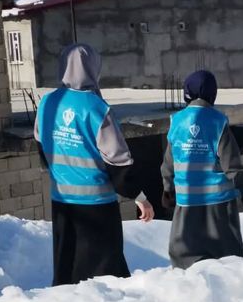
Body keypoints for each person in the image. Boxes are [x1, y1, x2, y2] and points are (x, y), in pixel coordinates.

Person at [35, 43, 154, 286]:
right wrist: (140, 197)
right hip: (97, 208)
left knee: (67, 268)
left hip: (62, 203)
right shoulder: (97, 108)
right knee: (104, 276)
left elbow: (41, 145)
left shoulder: (47, 103)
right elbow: (118, 161)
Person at [160, 70, 243, 269]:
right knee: (228, 259)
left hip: (186, 201)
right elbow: (232, 164)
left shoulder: (176, 121)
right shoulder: (218, 121)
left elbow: (168, 161)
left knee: (185, 258)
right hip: (219, 203)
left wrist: (168, 188)